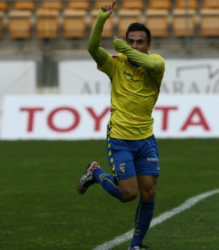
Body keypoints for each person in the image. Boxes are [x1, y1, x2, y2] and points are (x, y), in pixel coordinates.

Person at [76, 1, 165, 250]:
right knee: (129, 194)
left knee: (149, 192)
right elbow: (92, 48)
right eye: (130, 41)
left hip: (145, 139)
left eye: (139, 42)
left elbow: (153, 65)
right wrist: (102, 19)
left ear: (149, 45)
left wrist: (125, 48)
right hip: (120, 138)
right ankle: (96, 172)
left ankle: (136, 245)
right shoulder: (116, 64)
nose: (134, 46)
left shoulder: (156, 63)